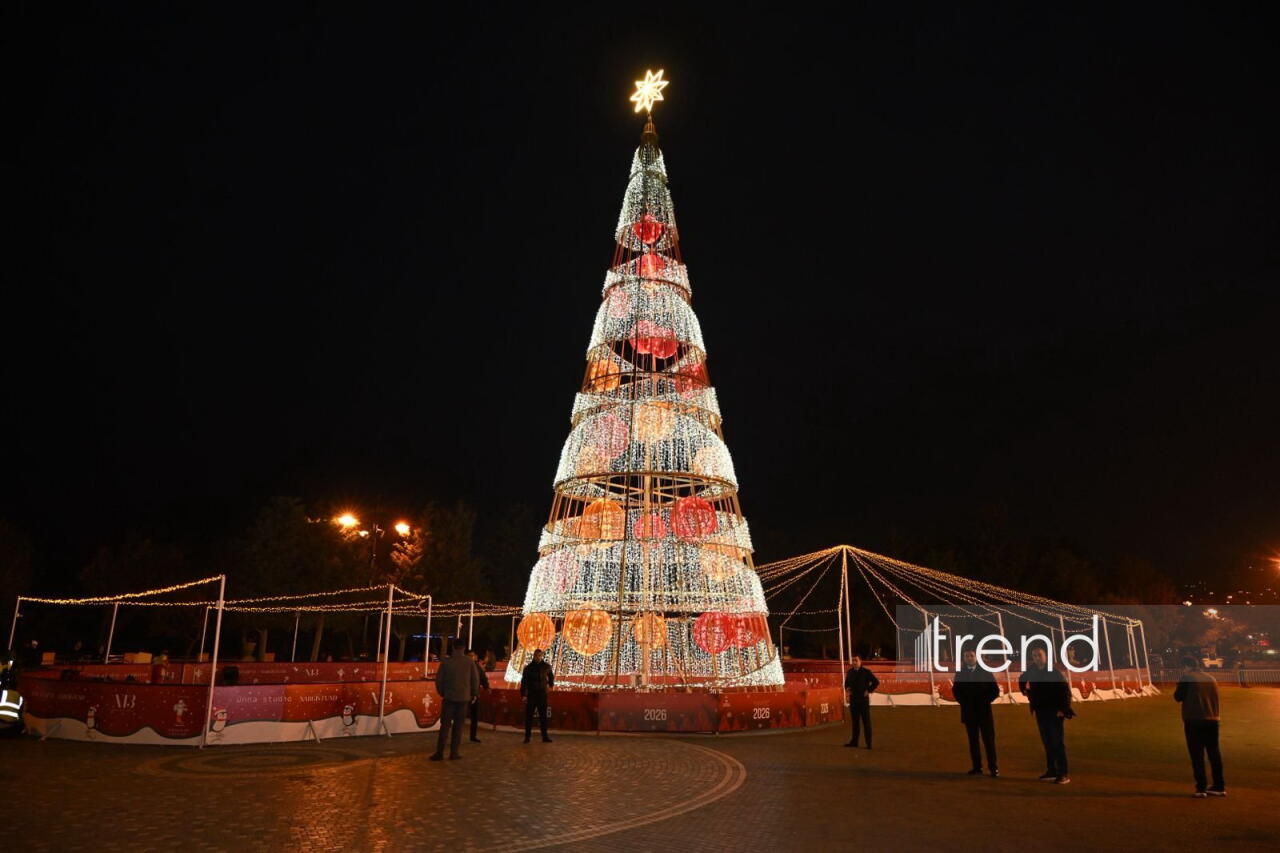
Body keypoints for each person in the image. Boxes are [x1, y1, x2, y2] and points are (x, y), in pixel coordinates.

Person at [1018, 646, 1074, 784]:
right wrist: (1025, 691)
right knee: (1047, 742)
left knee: (1057, 742)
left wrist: (1064, 709)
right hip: (1040, 711)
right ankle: (1052, 770)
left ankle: (1063, 773)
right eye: (1035, 655)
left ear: (1046, 656)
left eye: (1039, 655)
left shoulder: (1054, 673)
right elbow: (1021, 679)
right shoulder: (1032, 671)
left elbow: (1065, 691)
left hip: (1054, 711)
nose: (1037, 658)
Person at [1175, 655, 1225, 797]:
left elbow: (1178, 697)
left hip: (1194, 719)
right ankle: (1219, 785)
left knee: (1197, 754)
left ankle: (1201, 787)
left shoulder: (1188, 678)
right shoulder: (1211, 678)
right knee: (1214, 753)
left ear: (1186, 666)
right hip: (1213, 719)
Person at [952, 648, 1000, 776]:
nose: (969, 658)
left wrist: (985, 701)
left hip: (984, 713)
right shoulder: (960, 674)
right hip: (969, 713)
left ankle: (993, 768)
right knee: (973, 742)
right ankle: (977, 767)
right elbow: (956, 691)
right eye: (966, 656)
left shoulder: (985, 672)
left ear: (976, 657)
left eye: (971, 655)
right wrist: (964, 702)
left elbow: (995, 691)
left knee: (989, 741)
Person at [431, 641, 479, 761]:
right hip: (463, 698)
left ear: (452, 648)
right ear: (463, 648)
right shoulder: (469, 662)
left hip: (449, 698)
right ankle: (454, 752)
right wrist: (473, 694)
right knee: (458, 727)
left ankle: (439, 752)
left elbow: (439, 680)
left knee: (445, 726)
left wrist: (443, 692)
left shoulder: (446, 662)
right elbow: (475, 680)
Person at [844, 655, 879, 749]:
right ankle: (854, 742)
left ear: (860, 661)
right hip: (853, 700)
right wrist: (847, 688)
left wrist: (868, 690)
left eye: (856, 660)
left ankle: (869, 743)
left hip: (863, 701)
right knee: (855, 722)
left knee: (866, 722)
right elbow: (846, 683)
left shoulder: (866, 672)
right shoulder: (850, 672)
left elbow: (876, 682)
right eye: (853, 660)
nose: (854, 662)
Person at [520, 648, 554, 744]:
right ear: (534, 656)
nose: (538, 657)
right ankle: (527, 736)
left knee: (543, 716)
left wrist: (550, 685)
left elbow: (551, 676)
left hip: (542, 694)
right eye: (536, 656)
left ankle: (545, 736)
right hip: (532, 694)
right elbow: (524, 682)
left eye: (539, 655)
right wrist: (523, 694)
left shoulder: (546, 666)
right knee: (529, 716)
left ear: (542, 656)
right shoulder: (528, 668)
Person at [466, 648, 491, 743]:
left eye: (473, 655)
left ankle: (473, 735)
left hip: (474, 695)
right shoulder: (464, 667)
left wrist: (486, 687)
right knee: (460, 716)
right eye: (470, 656)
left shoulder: (477, 667)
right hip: (464, 694)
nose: (472, 657)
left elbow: (483, 678)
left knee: (474, 716)